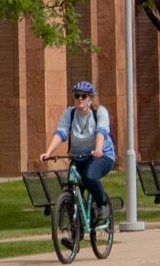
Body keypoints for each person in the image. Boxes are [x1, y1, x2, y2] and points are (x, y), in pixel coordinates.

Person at [41, 81, 115, 225]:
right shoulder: (70, 113)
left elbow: (101, 131)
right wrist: (48, 152)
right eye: (77, 96)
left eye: (84, 96)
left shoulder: (100, 112)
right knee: (71, 189)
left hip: (102, 155)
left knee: (89, 176)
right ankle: (74, 231)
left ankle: (102, 205)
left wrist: (98, 149)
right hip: (78, 156)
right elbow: (61, 132)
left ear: (90, 98)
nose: (80, 99)